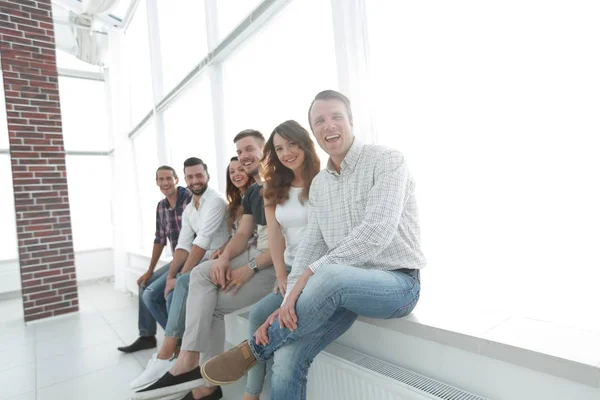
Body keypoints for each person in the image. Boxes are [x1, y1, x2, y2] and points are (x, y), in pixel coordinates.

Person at [201, 90, 426, 400]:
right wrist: (288, 299)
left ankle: (255, 348)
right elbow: (311, 244)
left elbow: (376, 233)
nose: (329, 126)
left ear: (351, 120)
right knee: (288, 356)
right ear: (314, 130)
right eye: (319, 120)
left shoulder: (387, 161)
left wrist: (310, 275)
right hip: (339, 290)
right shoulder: (320, 185)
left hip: (396, 283)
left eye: (336, 117)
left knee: (329, 276)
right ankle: (269, 348)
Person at [134, 130, 277, 400]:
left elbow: (276, 246)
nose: (244, 158)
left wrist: (248, 267)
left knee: (199, 293)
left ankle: (198, 377)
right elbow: (242, 235)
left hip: (270, 263)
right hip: (251, 253)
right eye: (239, 152)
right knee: (197, 276)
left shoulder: (271, 187)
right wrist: (223, 258)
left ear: (264, 151)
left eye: (249, 150)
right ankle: (191, 364)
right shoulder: (252, 192)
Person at [130, 157, 229, 390]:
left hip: (217, 259)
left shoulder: (214, 201)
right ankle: (172, 351)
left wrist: (179, 277)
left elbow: (202, 242)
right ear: (185, 179)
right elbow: (183, 245)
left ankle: (167, 355)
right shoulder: (189, 209)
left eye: (199, 175)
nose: (195, 180)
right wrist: (172, 275)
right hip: (199, 258)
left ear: (207, 176)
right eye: (191, 177)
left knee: (179, 289)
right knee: (162, 290)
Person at [244, 120, 320, 400]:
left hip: (316, 273)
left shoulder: (323, 181)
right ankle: (252, 393)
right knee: (257, 314)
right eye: (278, 148)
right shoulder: (273, 188)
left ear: (304, 144)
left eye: (291, 144)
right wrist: (280, 273)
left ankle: (253, 391)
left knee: (268, 323)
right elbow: (275, 236)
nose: (286, 152)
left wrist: (297, 281)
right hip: (288, 269)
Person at [118, 166, 192, 354]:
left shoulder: (190, 199)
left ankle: (177, 340)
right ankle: (147, 336)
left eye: (169, 178)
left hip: (193, 259)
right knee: (145, 283)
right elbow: (159, 239)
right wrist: (150, 270)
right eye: (161, 179)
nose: (165, 183)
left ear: (176, 179)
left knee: (151, 294)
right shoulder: (161, 206)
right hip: (178, 260)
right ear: (157, 182)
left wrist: (177, 273)